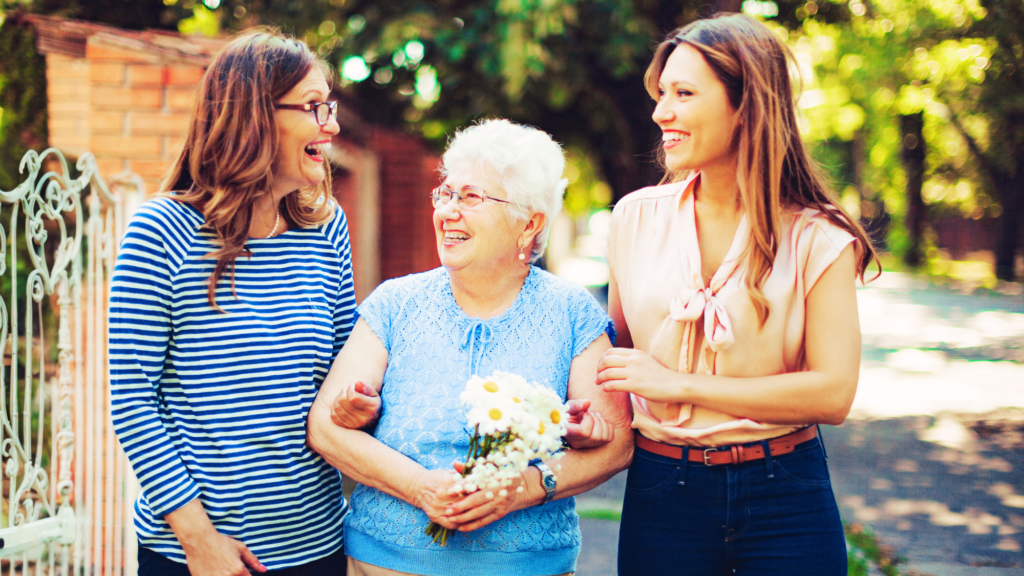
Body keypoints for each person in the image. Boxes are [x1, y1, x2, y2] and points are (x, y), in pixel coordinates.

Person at [596, 13, 879, 575]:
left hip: (785, 494)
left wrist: (679, 385)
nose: (661, 112)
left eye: (683, 93)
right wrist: (592, 419)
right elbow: (618, 362)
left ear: (745, 103)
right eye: (661, 94)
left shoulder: (820, 238)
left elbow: (833, 393)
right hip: (662, 490)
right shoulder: (633, 219)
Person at [306, 119, 634, 576]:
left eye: (471, 197)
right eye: (445, 194)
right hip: (387, 563)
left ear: (528, 224)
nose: (448, 210)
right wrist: (420, 486)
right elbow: (324, 426)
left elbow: (615, 443)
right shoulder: (395, 304)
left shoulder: (572, 312)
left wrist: (526, 486)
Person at [109, 30, 354, 576]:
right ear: (255, 116)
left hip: (319, 548)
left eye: (329, 108)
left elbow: (346, 376)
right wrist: (199, 541)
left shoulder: (326, 228)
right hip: (200, 557)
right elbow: (131, 399)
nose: (331, 125)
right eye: (314, 108)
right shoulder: (162, 230)